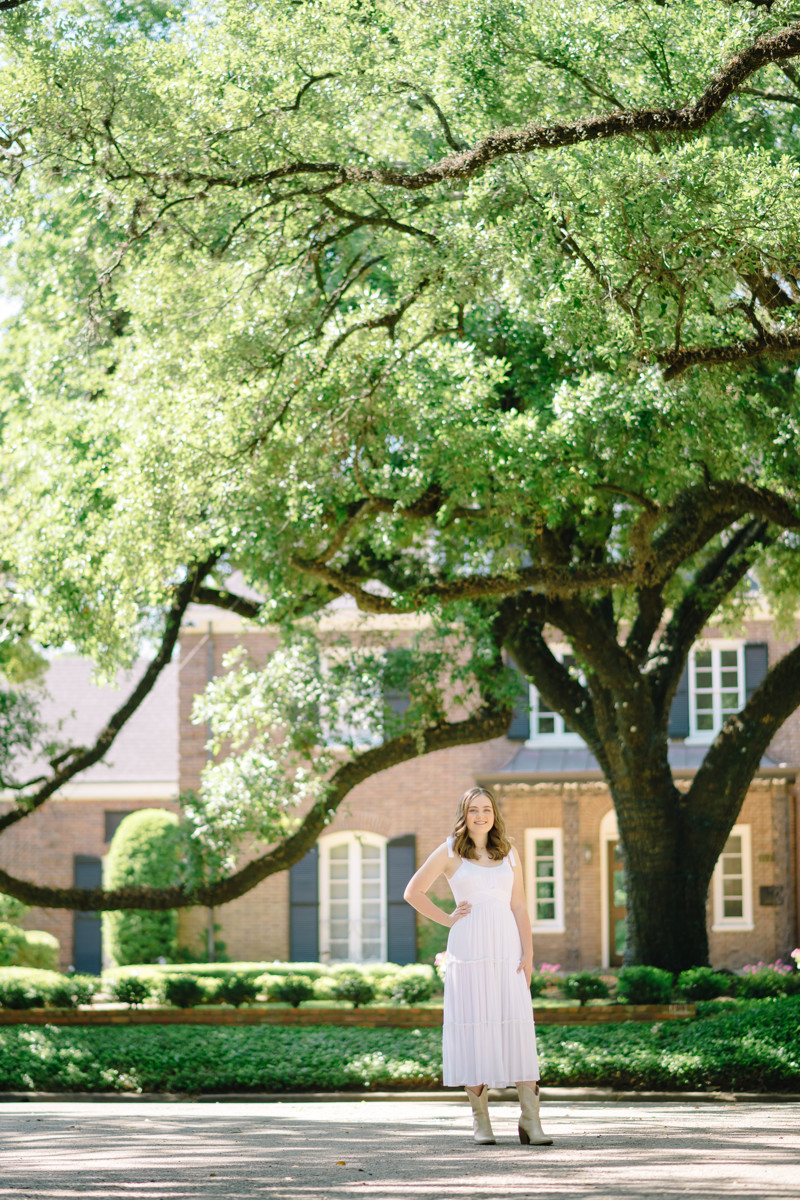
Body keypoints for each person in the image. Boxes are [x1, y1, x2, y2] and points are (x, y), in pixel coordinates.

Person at [404, 785, 552, 1147]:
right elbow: (413, 892)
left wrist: (529, 953)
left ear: (494, 814)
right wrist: (447, 919)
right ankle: (481, 1120)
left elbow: (519, 906)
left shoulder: (509, 852)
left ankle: (530, 1119)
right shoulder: (450, 851)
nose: (481, 815)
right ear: (464, 815)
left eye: (486, 809)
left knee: (516, 1026)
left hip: (507, 949)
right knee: (474, 1025)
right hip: (468, 949)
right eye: (473, 810)